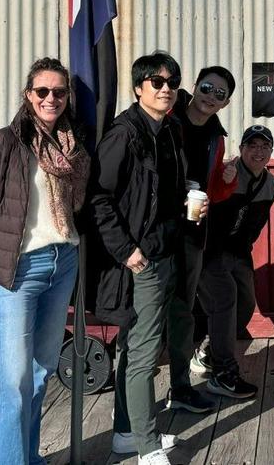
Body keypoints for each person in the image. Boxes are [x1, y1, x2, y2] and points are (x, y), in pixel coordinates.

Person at [0, 57, 89, 465]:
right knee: (15, 379)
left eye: (59, 92)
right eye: (42, 91)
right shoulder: (0, 144)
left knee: (41, 371)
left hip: (63, 262)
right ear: (28, 95)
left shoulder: (73, 146)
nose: (51, 98)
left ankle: (28, 456)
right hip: (18, 271)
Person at [86, 51, 191, 465]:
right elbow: (98, 198)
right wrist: (126, 251)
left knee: (135, 347)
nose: (166, 89)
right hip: (142, 259)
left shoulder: (169, 130)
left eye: (172, 82)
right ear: (137, 88)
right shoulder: (123, 134)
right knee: (144, 354)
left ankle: (127, 434)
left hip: (166, 251)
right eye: (157, 82)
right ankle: (146, 447)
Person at [164, 66, 235, 416]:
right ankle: (128, 404)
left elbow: (213, 192)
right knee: (142, 318)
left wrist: (227, 180)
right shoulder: (166, 118)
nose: (211, 96)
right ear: (194, 86)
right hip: (155, 232)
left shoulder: (216, 137)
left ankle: (180, 388)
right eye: (207, 87)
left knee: (182, 314)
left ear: (225, 104)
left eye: (220, 94)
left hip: (191, 234)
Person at [196, 124, 274, 397]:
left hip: (240, 252)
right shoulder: (227, 174)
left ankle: (208, 351)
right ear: (241, 149)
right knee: (225, 299)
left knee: (245, 305)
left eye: (264, 146)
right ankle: (223, 372)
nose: (258, 151)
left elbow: (258, 221)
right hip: (212, 251)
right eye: (252, 146)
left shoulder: (271, 183)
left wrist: (245, 247)